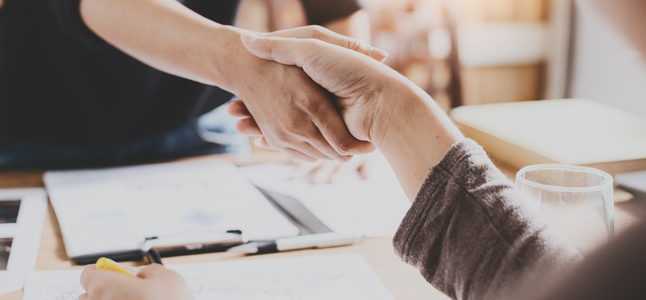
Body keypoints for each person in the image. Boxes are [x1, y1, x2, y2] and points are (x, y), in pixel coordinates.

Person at [78, 0, 646, 299]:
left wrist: (348, 101)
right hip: (55, 113)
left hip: (198, 123)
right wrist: (378, 104)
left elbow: (338, 9)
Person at [0, 0, 381, 175]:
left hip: (200, 126)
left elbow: (336, 11)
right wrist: (240, 63)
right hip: (39, 135)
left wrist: (342, 117)